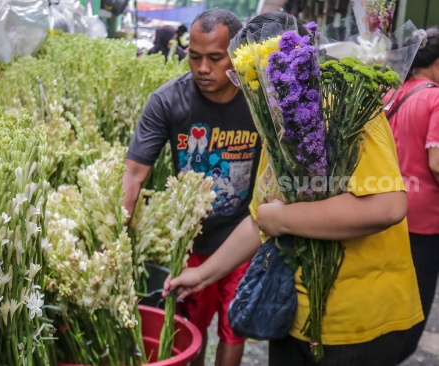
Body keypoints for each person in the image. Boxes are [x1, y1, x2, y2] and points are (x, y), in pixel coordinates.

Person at [163, 12, 424, 366]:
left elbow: (387, 207)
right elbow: (260, 218)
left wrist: (285, 218)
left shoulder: (347, 108)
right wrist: (202, 275)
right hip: (294, 319)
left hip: (360, 327)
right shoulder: (276, 120)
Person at [123, 9, 262, 366]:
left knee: (234, 328)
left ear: (238, 53)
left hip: (243, 237)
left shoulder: (261, 102)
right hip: (190, 242)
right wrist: (117, 239)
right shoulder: (167, 101)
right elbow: (134, 174)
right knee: (190, 330)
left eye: (215, 58)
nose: (202, 68)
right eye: (194, 57)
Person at [386, 27, 439, 363]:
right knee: (414, 306)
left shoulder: (391, 94)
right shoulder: (435, 97)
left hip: (388, 214)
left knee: (389, 301)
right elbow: (437, 163)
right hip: (424, 222)